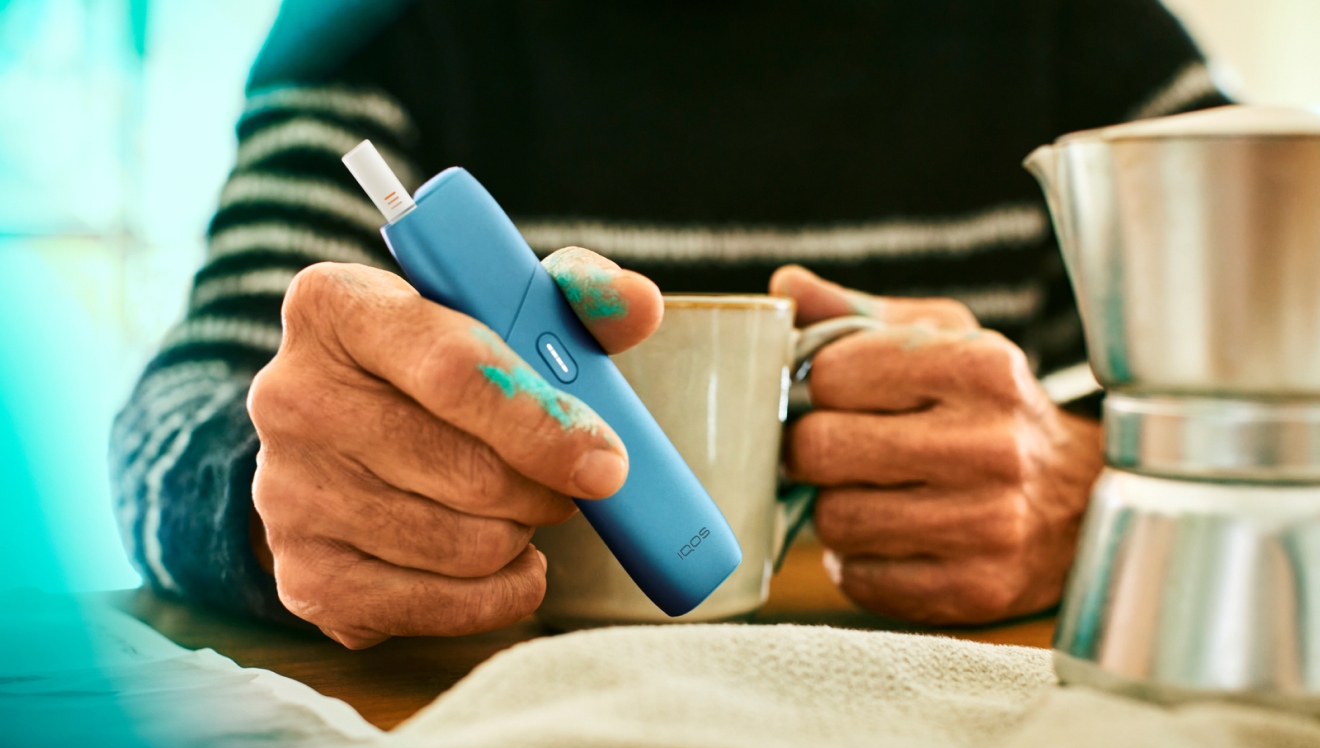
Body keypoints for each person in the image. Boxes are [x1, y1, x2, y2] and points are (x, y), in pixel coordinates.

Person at [110, 0, 1230, 647]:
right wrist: (273, 502)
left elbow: (1292, 356)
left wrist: (1097, 484)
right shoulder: (379, 27)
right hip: (485, 722)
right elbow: (178, 416)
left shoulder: (1080, 28)